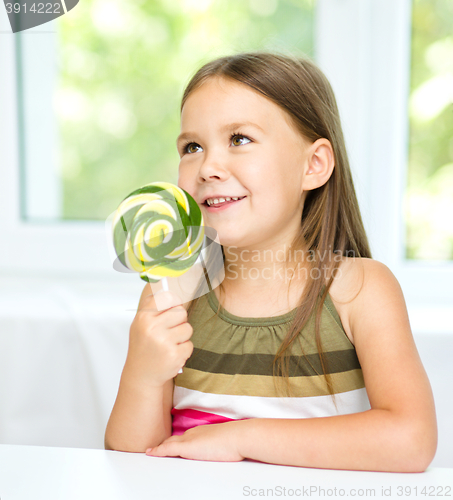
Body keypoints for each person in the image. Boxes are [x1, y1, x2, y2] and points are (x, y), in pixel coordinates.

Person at [104, 51, 437, 472]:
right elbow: (131, 461)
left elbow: (410, 442)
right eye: (192, 146)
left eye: (239, 139)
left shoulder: (360, 290)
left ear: (313, 166)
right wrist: (143, 373)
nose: (208, 166)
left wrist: (241, 438)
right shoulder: (175, 292)